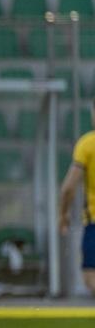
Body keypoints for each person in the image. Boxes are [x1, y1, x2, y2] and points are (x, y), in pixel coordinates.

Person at [57, 97, 95, 296]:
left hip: (94, 221)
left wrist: (63, 214)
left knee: (91, 278)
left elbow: (69, 187)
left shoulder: (88, 144)